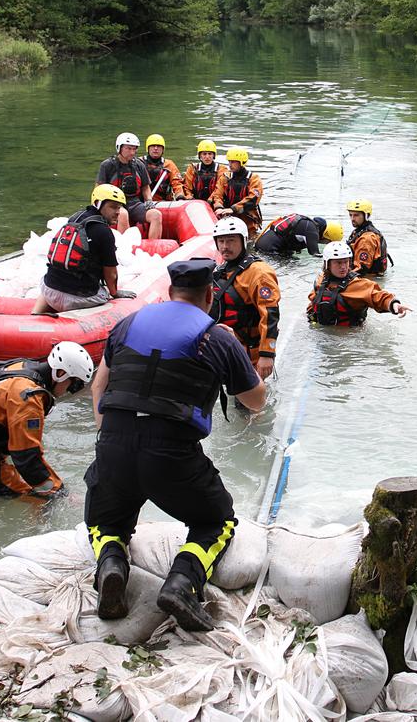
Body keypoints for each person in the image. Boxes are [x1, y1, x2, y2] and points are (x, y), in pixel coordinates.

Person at [84, 259, 267, 632]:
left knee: (106, 521)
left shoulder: (126, 324)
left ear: (169, 293)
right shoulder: (215, 336)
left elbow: (98, 387)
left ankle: (112, 564)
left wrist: (110, 442)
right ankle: (183, 582)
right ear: (210, 295)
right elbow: (256, 400)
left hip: (114, 444)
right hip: (171, 453)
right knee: (216, 521)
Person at [0, 341, 95, 499]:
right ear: (61, 374)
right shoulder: (29, 400)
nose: (69, 391)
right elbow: (27, 459)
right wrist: (61, 493)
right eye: (74, 385)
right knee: (43, 499)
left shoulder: (23, 366)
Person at [32, 184, 133, 315]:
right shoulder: (104, 232)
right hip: (76, 299)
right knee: (105, 293)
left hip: (48, 291)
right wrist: (114, 293)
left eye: (119, 207)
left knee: (54, 280)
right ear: (98, 204)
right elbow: (111, 272)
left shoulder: (74, 218)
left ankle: (35, 313)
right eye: (113, 207)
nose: (118, 212)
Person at [210, 217, 280, 379]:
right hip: (226, 348)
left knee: (248, 402)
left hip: (250, 352)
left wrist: (267, 354)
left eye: (231, 241)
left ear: (243, 241)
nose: (225, 246)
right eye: (221, 241)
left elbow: (269, 314)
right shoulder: (221, 270)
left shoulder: (259, 273)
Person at [306, 242, 411, 326]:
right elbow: (313, 302)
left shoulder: (358, 285)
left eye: (346, 262)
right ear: (327, 264)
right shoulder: (321, 281)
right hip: (324, 334)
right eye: (338, 263)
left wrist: (393, 304)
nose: (343, 267)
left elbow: (377, 296)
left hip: (350, 338)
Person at [96, 131, 163, 239]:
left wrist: (149, 201)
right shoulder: (107, 165)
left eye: (134, 149)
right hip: (114, 203)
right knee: (122, 214)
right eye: (128, 148)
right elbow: (98, 189)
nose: (132, 152)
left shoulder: (139, 165)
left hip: (134, 203)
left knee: (156, 215)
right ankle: (124, 249)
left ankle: (153, 248)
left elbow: (146, 188)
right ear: (120, 148)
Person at [211, 147, 263, 234]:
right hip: (227, 216)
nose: (230, 165)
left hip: (248, 220)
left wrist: (234, 209)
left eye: (233, 162)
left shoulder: (253, 179)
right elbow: (217, 195)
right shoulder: (225, 177)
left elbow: (253, 199)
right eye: (229, 161)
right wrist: (219, 207)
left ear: (241, 162)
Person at [254, 214, 343, 257]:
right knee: (293, 265)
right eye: (327, 242)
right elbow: (315, 254)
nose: (324, 243)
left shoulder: (308, 224)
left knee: (292, 259)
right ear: (327, 236)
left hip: (265, 243)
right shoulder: (312, 231)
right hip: (269, 248)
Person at [345, 199, 392, 275]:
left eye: (356, 215)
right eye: (350, 215)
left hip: (367, 280)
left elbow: (361, 269)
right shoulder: (360, 232)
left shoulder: (367, 239)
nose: (352, 219)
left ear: (367, 215)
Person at [183, 139, 226, 207]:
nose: (207, 157)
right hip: (195, 202)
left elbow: (219, 189)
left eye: (210, 154)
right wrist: (189, 197)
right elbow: (187, 187)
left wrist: (211, 199)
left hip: (213, 203)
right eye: (204, 154)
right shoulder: (192, 168)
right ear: (200, 155)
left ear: (214, 155)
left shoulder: (221, 169)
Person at [143, 134, 184, 202]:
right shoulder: (139, 163)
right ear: (148, 148)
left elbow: (177, 184)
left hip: (163, 202)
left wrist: (180, 197)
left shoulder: (169, 165)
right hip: (143, 200)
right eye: (153, 146)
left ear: (163, 149)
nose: (156, 148)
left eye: (158, 146)